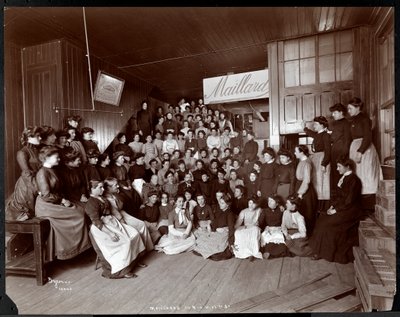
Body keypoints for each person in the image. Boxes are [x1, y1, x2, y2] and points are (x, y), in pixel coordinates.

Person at [34, 146, 91, 262]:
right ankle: (69, 250)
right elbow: (46, 195)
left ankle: (77, 249)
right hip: (46, 205)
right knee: (78, 214)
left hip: (54, 201)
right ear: (47, 158)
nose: (59, 159)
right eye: (56, 157)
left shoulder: (52, 170)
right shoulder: (42, 173)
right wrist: (62, 201)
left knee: (80, 210)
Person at [85, 180, 146, 279]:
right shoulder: (91, 203)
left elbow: (112, 211)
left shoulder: (102, 198)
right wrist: (110, 234)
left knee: (135, 234)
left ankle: (133, 262)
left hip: (112, 222)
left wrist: (121, 222)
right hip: (101, 230)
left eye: (102, 187)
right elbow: (96, 222)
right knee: (125, 242)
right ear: (92, 189)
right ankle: (123, 270)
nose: (103, 189)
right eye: (100, 187)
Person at [308, 158, 363, 263]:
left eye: (339, 167)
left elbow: (349, 201)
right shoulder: (343, 178)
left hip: (352, 211)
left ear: (348, 167)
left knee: (327, 224)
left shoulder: (354, 180)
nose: (337, 169)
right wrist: (332, 207)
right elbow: (338, 197)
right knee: (322, 219)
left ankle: (325, 253)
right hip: (343, 208)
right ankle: (318, 251)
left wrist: (336, 210)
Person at [347, 97, 382, 211]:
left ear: (358, 108)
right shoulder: (354, 120)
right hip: (356, 148)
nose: (349, 111)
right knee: (358, 175)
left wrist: (360, 152)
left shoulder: (364, 119)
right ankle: (360, 206)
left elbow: (367, 137)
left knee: (366, 176)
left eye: (350, 108)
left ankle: (368, 207)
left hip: (364, 150)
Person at [103, 177, 153, 252]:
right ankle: (142, 251)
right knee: (136, 230)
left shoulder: (114, 194)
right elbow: (115, 212)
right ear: (108, 188)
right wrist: (124, 223)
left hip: (122, 213)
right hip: (117, 218)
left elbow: (121, 206)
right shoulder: (107, 198)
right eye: (115, 185)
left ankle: (147, 248)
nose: (118, 186)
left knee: (142, 224)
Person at [6, 127, 42, 221]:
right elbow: (26, 174)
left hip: (40, 181)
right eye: (38, 136)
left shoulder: (37, 151)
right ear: (29, 137)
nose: (40, 138)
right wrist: (37, 189)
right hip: (27, 185)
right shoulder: (22, 152)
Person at [193, 194, 235, 260]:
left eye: (222, 203)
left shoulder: (230, 214)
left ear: (228, 204)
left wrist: (231, 242)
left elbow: (231, 228)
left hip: (223, 233)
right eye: (220, 203)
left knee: (214, 246)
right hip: (216, 231)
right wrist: (211, 227)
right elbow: (215, 222)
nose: (220, 204)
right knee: (202, 241)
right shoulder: (219, 211)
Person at [303, 116, 331, 212]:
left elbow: (328, 151)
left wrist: (324, 164)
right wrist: (304, 128)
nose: (314, 125)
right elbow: (310, 133)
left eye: (316, 124)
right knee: (316, 182)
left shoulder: (325, 135)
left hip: (322, 160)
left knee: (322, 182)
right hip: (316, 159)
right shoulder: (318, 134)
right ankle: (317, 206)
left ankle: (322, 207)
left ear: (322, 125)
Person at [328, 103, 351, 197]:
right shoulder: (335, 123)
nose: (333, 115)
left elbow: (347, 140)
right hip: (334, 153)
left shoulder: (346, 123)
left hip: (341, 154)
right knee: (335, 177)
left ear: (341, 112)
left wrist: (343, 156)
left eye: (335, 113)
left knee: (341, 177)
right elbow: (333, 138)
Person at [293, 145, 317, 236]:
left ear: (301, 152)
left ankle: (308, 236)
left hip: (305, 191)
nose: (295, 153)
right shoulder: (301, 161)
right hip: (300, 187)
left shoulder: (307, 163)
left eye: (296, 151)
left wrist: (300, 194)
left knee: (307, 213)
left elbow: (306, 181)